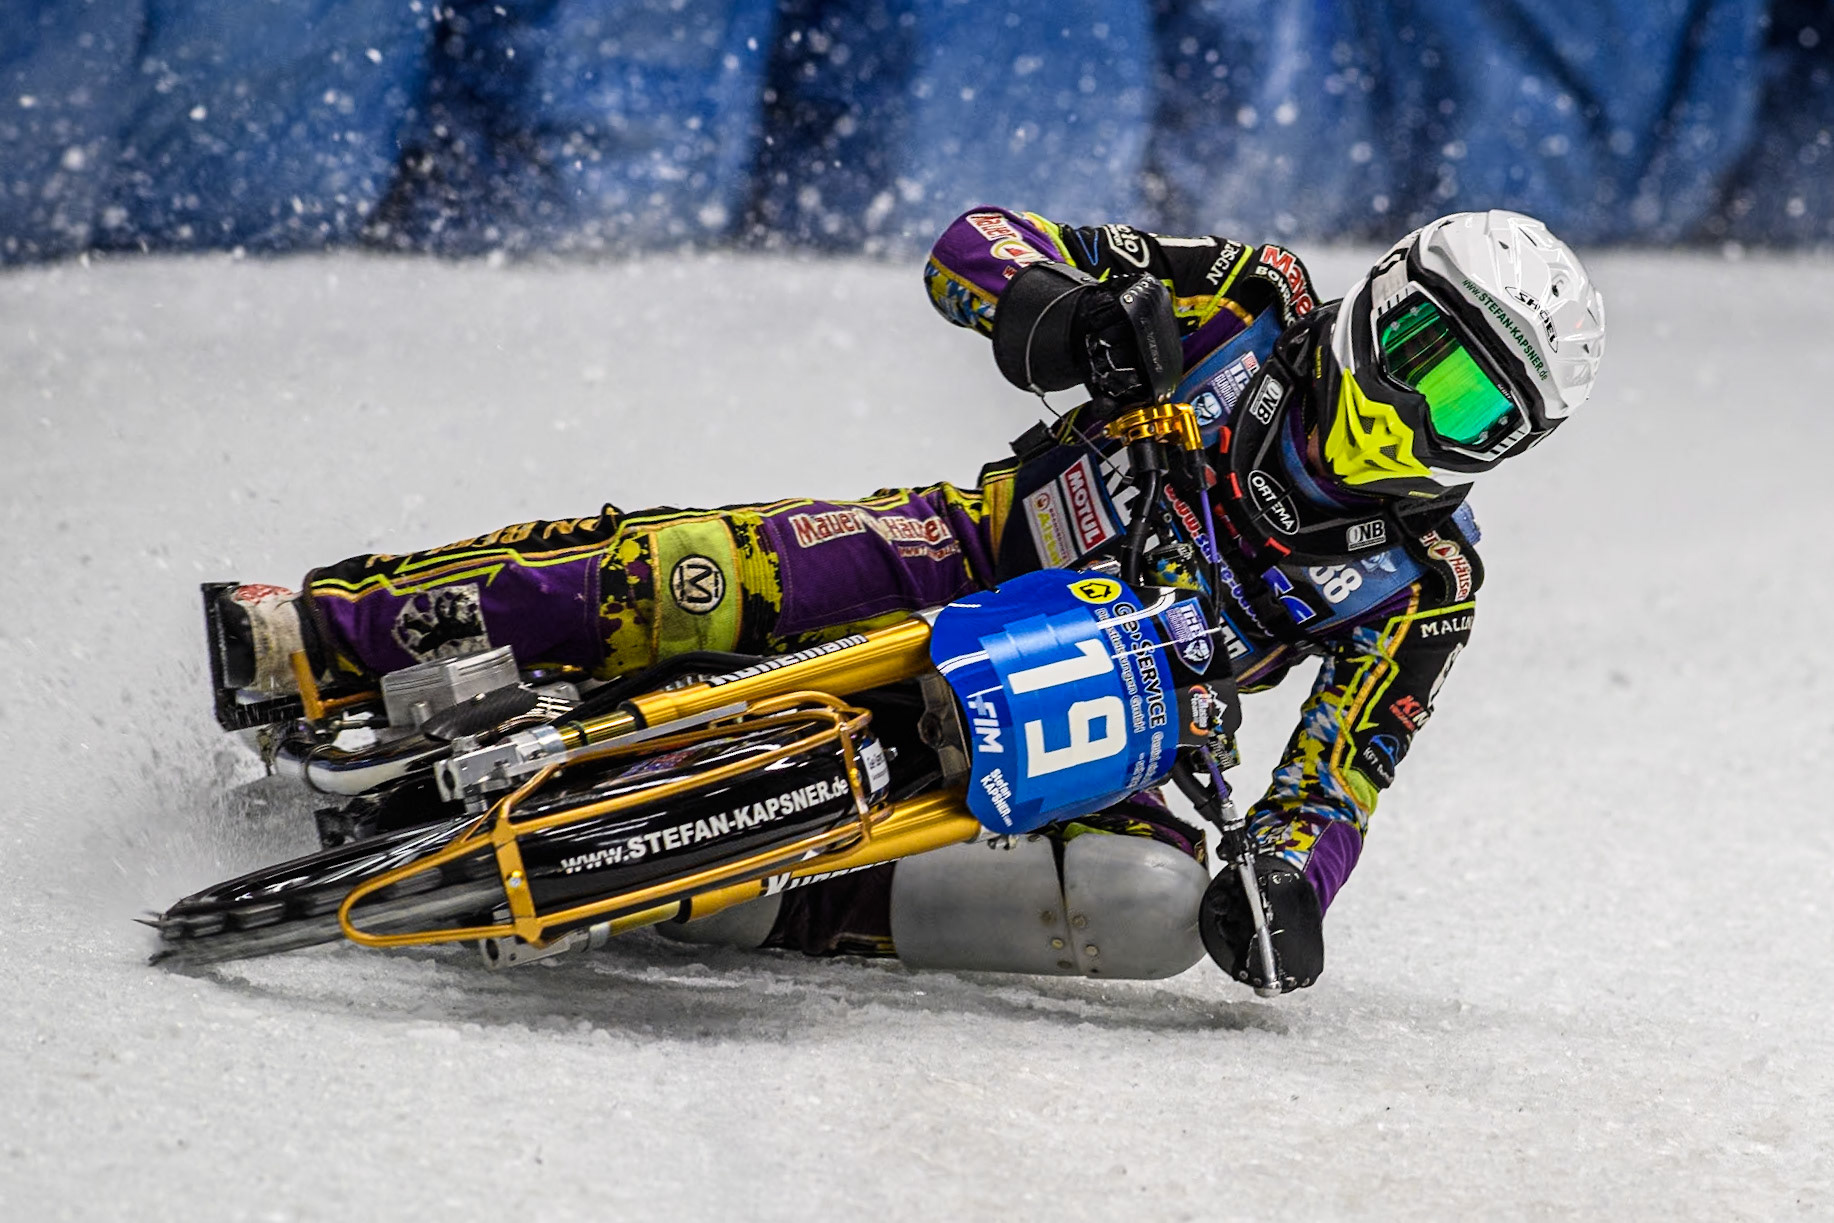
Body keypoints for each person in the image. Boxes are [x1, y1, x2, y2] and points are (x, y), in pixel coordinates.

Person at [211, 207, 1605, 992]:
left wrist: (1288, 888)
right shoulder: (1252, 298)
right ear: (1379, 301)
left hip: (1111, 722)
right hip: (972, 546)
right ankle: (321, 640)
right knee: (687, 571)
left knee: (1141, 902)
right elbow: (975, 238)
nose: (1417, 403)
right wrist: (1058, 307)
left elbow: (1339, 776)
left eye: (1472, 398)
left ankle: (738, 891)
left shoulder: (1425, 583)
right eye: (1424, 348)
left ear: (1507, 444)